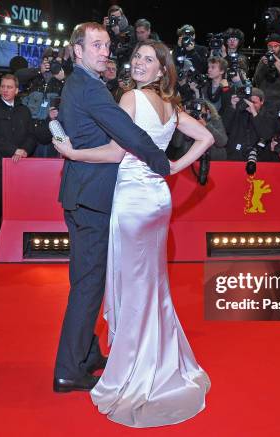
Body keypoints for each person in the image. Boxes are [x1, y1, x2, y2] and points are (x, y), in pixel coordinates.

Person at [54, 38, 212, 427]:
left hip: (131, 202)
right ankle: (151, 355)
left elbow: (115, 152)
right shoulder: (172, 107)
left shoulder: (129, 98)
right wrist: (173, 168)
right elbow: (208, 138)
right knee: (152, 283)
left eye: (148, 60)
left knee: (130, 283)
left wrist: (73, 154)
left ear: (161, 70)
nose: (139, 63)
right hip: (159, 200)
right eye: (137, 56)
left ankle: (135, 363)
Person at [52, 23, 171, 396]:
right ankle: (67, 371)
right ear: (78, 50)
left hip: (83, 194)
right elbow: (127, 132)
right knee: (88, 285)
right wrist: (161, 162)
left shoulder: (83, 83)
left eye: (107, 45)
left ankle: (85, 354)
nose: (105, 52)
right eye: (97, 45)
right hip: (91, 198)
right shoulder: (89, 87)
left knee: (88, 281)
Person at [0, 74, 35, 256]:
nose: (5, 90)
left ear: (17, 90)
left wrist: (25, 150)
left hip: (20, 168)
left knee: (17, 207)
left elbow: (31, 135)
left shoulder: (24, 110)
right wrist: (13, 150)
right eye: (3, 86)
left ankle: (15, 242)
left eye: (9, 87)